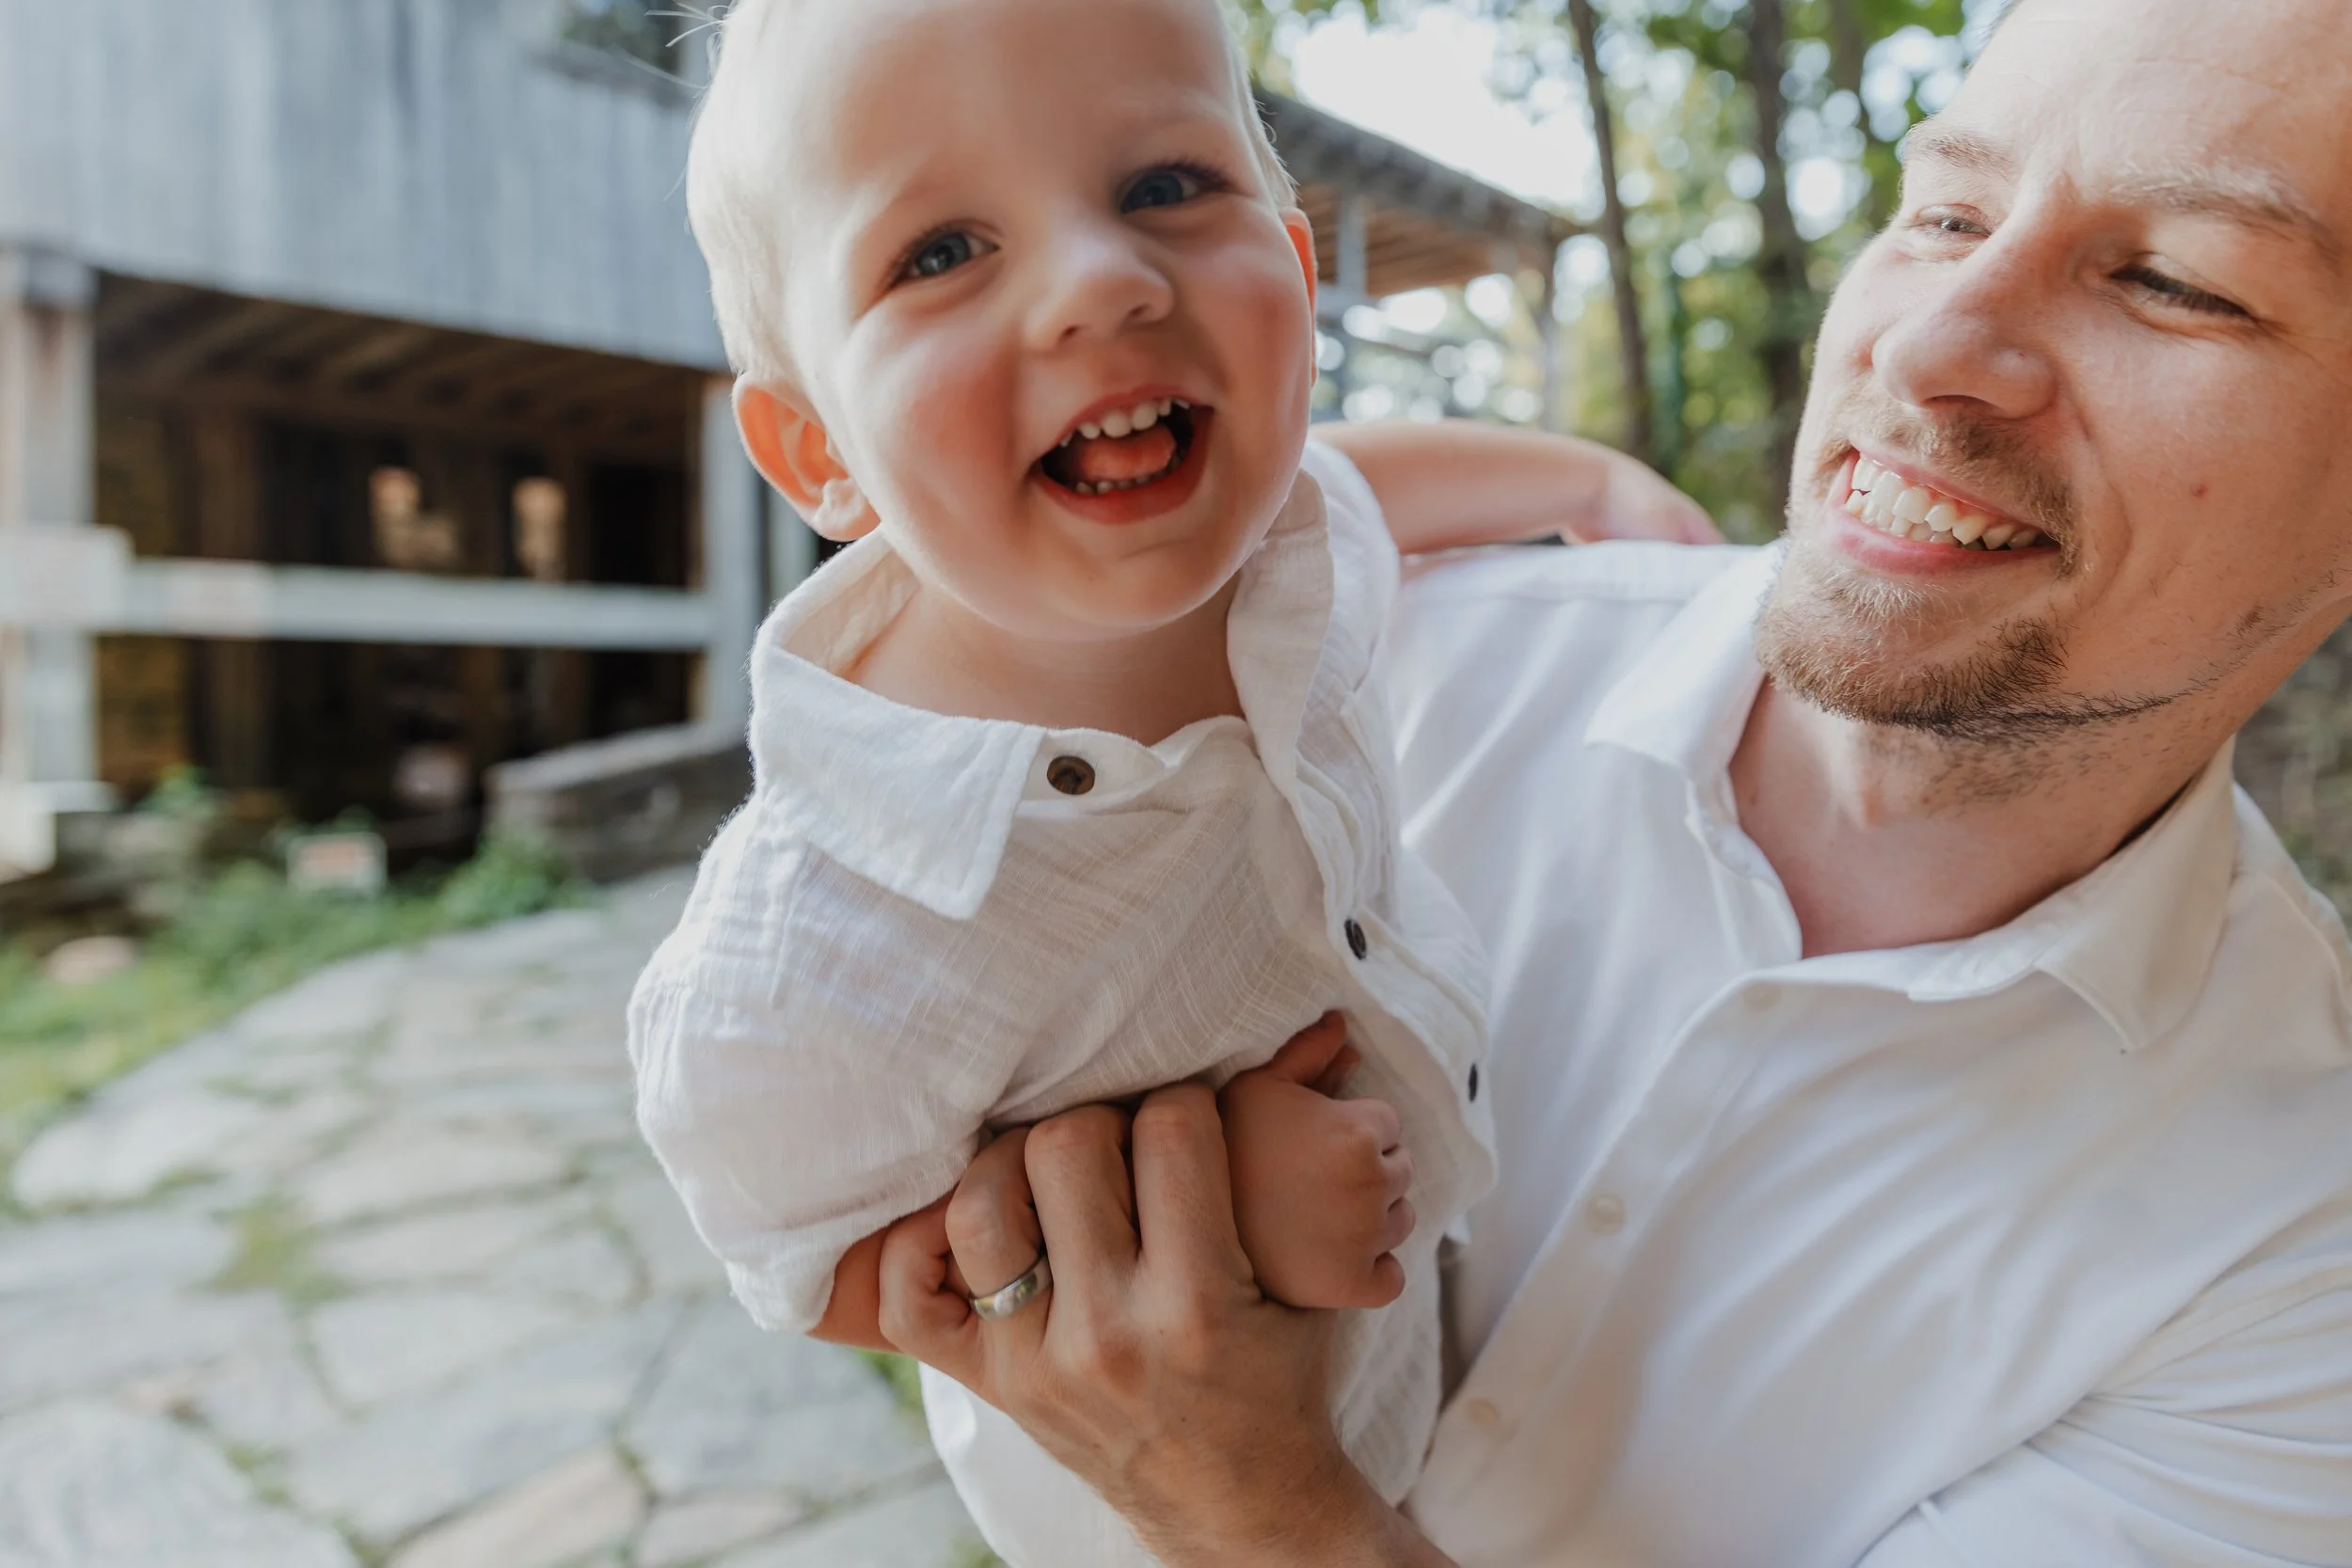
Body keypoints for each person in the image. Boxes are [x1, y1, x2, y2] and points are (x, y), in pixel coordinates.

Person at [875, 0, 2352, 1562]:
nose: (1928, 345)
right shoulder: (1354, 682)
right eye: (1947, 213)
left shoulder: (2294, 1248)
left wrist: (1249, 1502)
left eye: (2177, 282)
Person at [624, 1, 1708, 1564]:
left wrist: (1580, 479)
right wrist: (1220, 1213)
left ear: (1298, 264)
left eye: (1164, 189)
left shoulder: (1270, 547)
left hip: (1442, 1335)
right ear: (815, 454)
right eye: (939, 253)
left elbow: (1350, 491)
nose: (1101, 280)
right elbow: (796, 1252)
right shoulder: (826, 941)